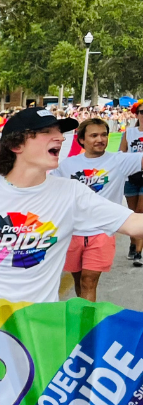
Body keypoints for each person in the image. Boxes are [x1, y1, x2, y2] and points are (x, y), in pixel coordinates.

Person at [0, 107, 143, 309]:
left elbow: (133, 224)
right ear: (17, 145)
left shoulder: (71, 193)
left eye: (59, 132)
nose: (60, 138)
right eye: (46, 132)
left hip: (38, 327)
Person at [50, 117, 143, 300]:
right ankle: (84, 314)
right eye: (94, 135)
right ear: (82, 139)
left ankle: (88, 324)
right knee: (79, 282)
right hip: (72, 231)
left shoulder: (119, 160)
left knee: (88, 281)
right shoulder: (67, 165)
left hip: (102, 232)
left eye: (103, 135)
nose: (100, 139)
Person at [122, 104, 143, 264]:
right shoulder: (129, 133)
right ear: (137, 115)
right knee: (132, 214)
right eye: (142, 112)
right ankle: (132, 243)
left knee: (141, 211)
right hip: (131, 176)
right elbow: (121, 155)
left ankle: (138, 252)